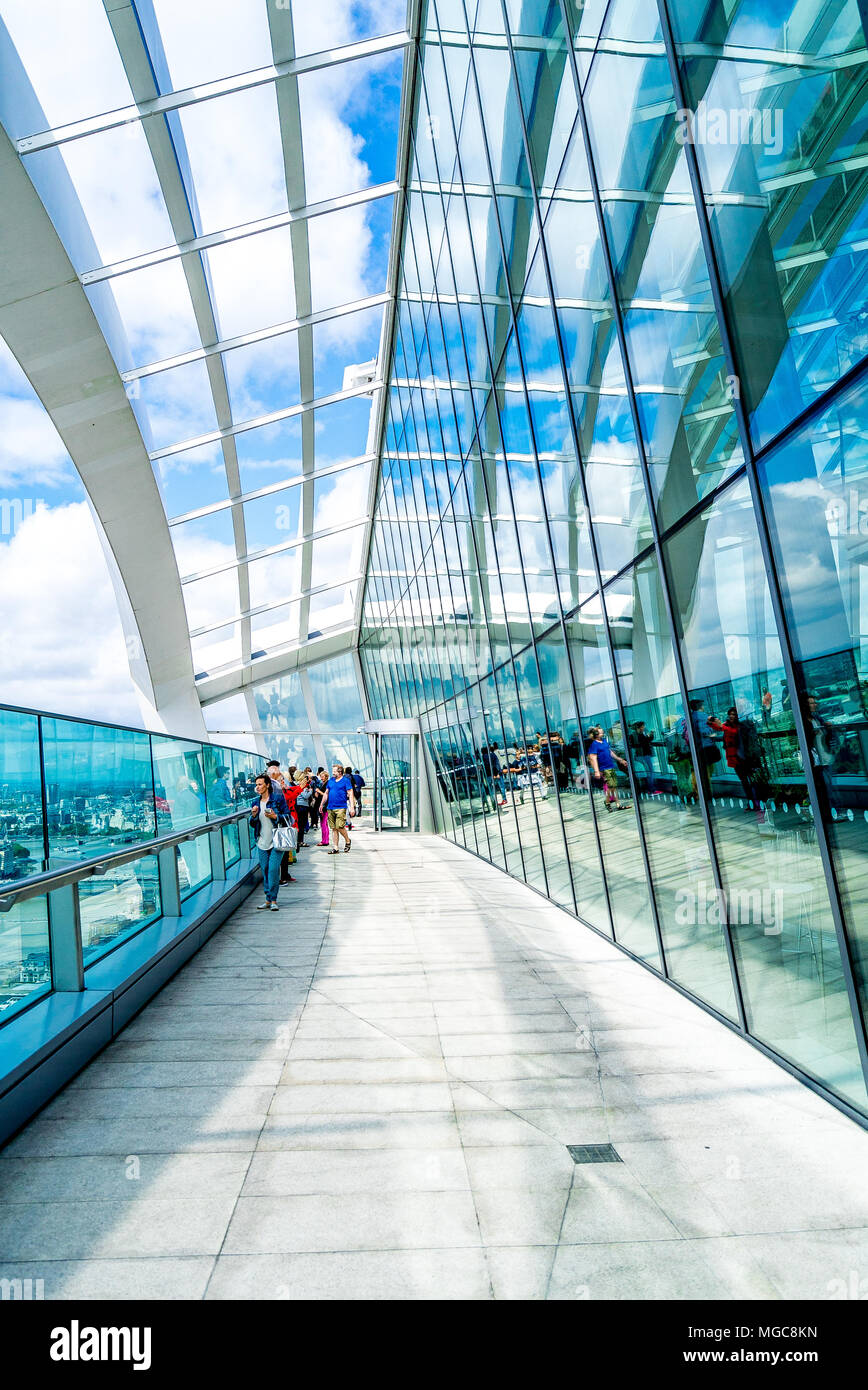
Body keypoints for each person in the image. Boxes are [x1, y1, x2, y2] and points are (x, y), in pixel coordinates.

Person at [250, 773, 289, 910]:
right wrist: (254, 816)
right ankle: (268, 899)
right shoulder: (255, 802)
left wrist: (275, 816)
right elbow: (253, 824)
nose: (258, 787)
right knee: (265, 869)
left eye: (260, 784)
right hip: (261, 841)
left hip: (277, 841)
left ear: (267, 785)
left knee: (273, 870)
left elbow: (288, 817)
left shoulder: (277, 799)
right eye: (256, 785)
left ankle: (273, 900)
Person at [586, 726, 629, 812]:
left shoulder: (604, 741)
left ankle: (617, 804)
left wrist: (619, 759)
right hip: (604, 768)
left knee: (614, 786)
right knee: (610, 786)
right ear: (596, 734)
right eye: (601, 732)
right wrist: (596, 771)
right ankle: (608, 802)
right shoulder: (594, 744)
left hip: (611, 766)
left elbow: (610, 752)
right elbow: (593, 758)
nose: (603, 733)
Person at [325, 762, 356, 854]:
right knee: (334, 828)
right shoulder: (330, 780)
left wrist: (352, 807)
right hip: (330, 807)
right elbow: (326, 793)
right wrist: (322, 804)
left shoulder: (345, 781)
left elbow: (350, 793)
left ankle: (347, 840)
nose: (333, 773)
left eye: (334, 771)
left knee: (339, 826)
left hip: (341, 807)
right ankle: (335, 848)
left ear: (340, 772)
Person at [629, 722, 659, 794]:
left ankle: (650, 788)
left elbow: (647, 740)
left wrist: (650, 736)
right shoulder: (636, 735)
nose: (644, 728)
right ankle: (651, 790)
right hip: (643, 755)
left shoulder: (639, 734)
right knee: (650, 772)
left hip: (642, 755)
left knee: (648, 771)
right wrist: (648, 737)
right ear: (639, 727)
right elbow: (642, 743)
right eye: (642, 727)